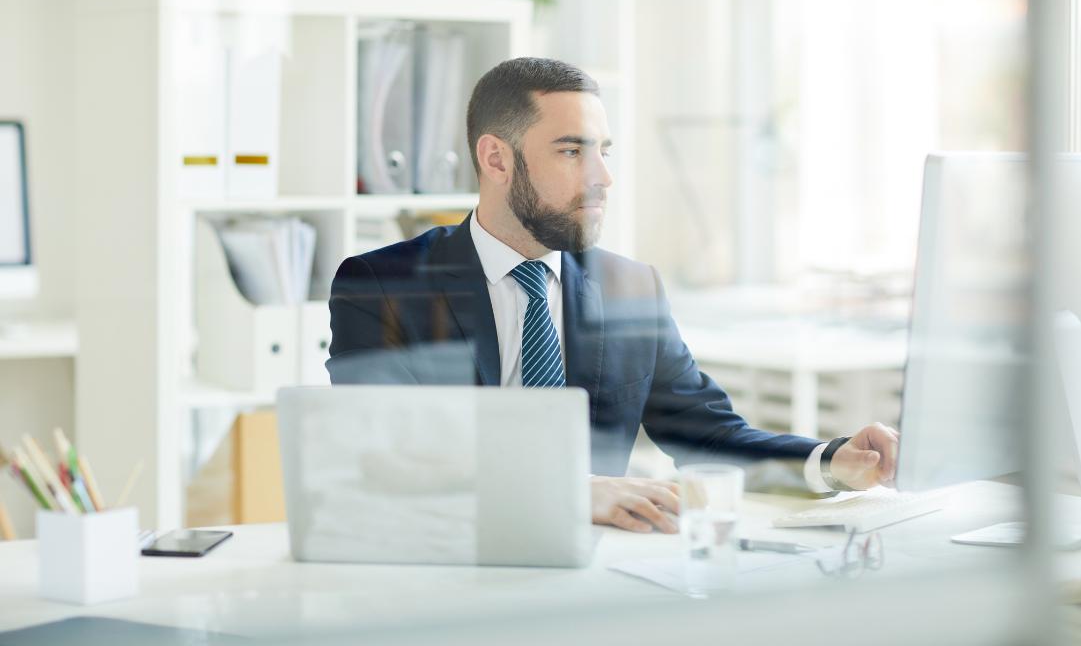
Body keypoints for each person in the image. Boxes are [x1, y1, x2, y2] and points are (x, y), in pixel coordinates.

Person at [328, 57, 899, 535]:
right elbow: (388, 460)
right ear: (496, 158)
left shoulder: (631, 289)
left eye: (604, 150)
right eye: (572, 152)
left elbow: (708, 436)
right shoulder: (383, 285)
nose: (603, 176)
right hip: (445, 566)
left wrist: (829, 463)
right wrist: (566, 494)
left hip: (601, 571)